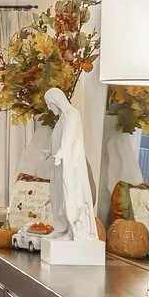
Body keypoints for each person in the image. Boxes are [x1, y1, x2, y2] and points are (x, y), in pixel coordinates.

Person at [45, 87, 99, 244]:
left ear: (56, 101)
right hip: (60, 164)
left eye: (49, 104)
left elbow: (70, 138)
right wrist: (49, 152)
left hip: (70, 165)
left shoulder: (73, 115)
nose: (49, 108)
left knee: (70, 196)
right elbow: (58, 138)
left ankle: (73, 230)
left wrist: (61, 153)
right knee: (58, 196)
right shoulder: (62, 118)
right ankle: (61, 228)